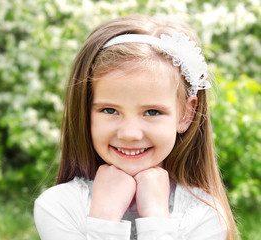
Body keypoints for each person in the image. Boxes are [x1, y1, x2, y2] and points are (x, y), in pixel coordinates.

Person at [34, 15, 238, 240]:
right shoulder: (58, 207)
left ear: (186, 114)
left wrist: (156, 218)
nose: (130, 134)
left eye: (152, 112)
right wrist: (105, 216)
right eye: (110, 110)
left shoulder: (204, 215)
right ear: (85, 111)